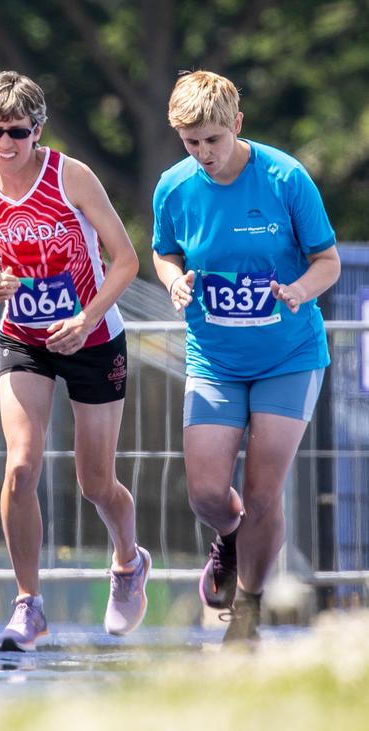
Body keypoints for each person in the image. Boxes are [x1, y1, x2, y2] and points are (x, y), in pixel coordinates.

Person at [0, 71, 148, 652]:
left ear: (37, 130)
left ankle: (128, 561)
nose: (5, 144)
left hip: (93, 337)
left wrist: (85, 319)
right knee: (19, 467)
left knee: (96, 483)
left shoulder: (71, 176)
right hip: (25, 338)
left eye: (16, 131)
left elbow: (126, 260)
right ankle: (28, 604)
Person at [152, 70, 339, 643]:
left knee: (261, 494)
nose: (203, 153)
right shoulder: (173, 187)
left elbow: (327, 261)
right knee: (208, 494)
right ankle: (229, 542)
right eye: (191, 142)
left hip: (289, 357)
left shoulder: (286, 177)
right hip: (216, 358)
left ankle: (249, 608)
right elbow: (164, 252)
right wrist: (174, 280)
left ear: (237, 123)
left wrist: (299, 290)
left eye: (213, 139)